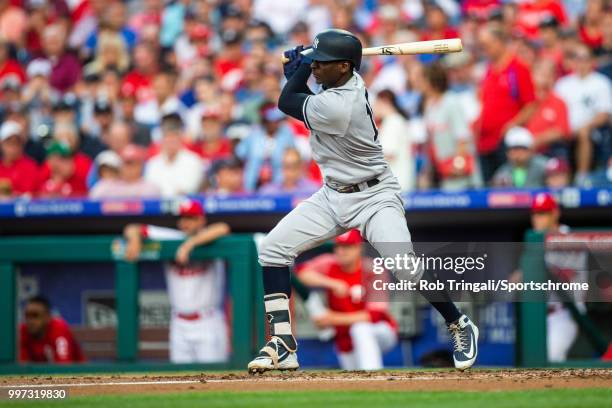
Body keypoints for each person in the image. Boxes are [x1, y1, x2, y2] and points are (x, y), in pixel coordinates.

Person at [247, 29, 479, 374]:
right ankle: (282, 344)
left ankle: (459, 323)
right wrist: (303, 65)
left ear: (344, 67)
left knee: (405, 267)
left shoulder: (343, 103)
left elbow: (287, 101)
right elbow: (299, 93)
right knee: (272, 250)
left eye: (321, 63)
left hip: (374, 196)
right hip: (332, 194)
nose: (315, 68)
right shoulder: (336, 84)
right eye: (315, 63)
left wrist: (297, 70)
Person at [123, 199, 231, 363]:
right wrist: (135, 240)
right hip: (179, 323)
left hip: (208, 322)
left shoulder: (211, 240)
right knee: (180, 379)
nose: (186, 222)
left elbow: (223, 228)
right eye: (183, 218)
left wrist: (190, 245)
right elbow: (132, 228)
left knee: (214, 379)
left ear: (201, 220)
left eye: (191, 218)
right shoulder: (171, 238)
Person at [297, 230, 398, 370]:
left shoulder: (372, 270)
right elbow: (301, 273)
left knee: (360, 329)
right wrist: (332, 283)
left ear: (359, 248)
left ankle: (374, 379)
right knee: (353, 376)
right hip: (345, 338)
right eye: (339, 246)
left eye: (347, 246)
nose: (341, 251)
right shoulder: (330, 263)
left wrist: (332, 319)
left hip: (381, 331)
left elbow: (374, 315)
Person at [475, 23, 537, 181]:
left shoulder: (518, 68)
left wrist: (511, 125)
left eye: (487, 45)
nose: (484, 50)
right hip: (484, 142)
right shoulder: (489, 69)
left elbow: (531, 105)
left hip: (505, 142)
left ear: (500, 42)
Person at [554, 43, 612, 186]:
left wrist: (584, 127)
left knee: (584, 134)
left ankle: (582, 176)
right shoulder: (562, 84)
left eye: (584, 58)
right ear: (572, 61)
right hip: (565, 128)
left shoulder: (601, 82)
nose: (581, 62)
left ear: (592, 60)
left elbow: (604, 114)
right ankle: (556, 181)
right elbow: (555, 110)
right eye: (577, 58)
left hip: (592, 130)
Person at [419, 63, 482, 191]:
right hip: (442, 170)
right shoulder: (430, 106)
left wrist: (458, 165)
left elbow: (463, 137)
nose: (420, 83)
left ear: (432, 81)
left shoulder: (451, 102)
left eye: (423, 79)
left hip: (460, 174)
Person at [236, 103, 295, 191]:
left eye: (277, 120)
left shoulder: (286, 133)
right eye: (271, 120)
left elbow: (292, 156)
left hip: (279, 185)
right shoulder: (254, 133)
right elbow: (240, 152)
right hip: (252, 183)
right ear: (264, 120)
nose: (275, 123)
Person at [144, 113, 204, 197]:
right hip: (156, 207)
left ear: (180, 138)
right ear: (162, 140)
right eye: (167, 137)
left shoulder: (193, 160)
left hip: (185, 207)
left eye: (174, 137)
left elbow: (189, 188)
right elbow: (150, 189)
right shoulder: (153, 163)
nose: (170, 141)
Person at [525, 60, 571, 159]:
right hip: (521, 152)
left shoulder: (558, 102)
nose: (545, 77)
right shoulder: (523, 99)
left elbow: (561, 131)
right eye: (542, 73)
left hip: (550, 151)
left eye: (550, 74)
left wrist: (534, 141)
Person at [19, 296, 85, 363]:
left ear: (47, 317)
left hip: (76, 372)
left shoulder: (59, 328)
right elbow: (23, 366)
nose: (30, 321)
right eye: (27, 316)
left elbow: (63, 365)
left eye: (35, 315)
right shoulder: (23, 330)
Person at [373, 89, 414, 192]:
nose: (373, 108)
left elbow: (388, 154)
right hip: (398, 184)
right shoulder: (395, 120)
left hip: (396, 184)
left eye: (375, 103)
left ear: (384, 101)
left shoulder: (393, 122)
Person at [90, 144, 160, 199]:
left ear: (140, 165)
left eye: (131, 163)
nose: (128, 167)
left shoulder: (150, 188)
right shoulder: (105, 186)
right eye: (125, 162)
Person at [0, 121, 39, 198]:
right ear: (1, 144)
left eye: (17, 143)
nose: (13, 147)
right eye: (9, 143)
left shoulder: (30, 166)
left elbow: (30, 194)